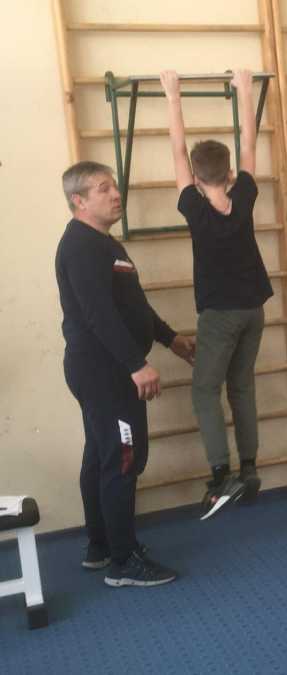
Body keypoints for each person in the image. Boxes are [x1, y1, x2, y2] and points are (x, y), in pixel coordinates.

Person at [56, 160, 195, 587]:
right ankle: (123, 562)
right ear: (79, 201)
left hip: (106, 370)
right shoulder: (81, 246)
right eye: (103, 188)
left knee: (102, 455)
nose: (116, 194)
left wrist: (170, 339)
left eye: (114, 186)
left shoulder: (106, 244)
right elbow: (98, 315)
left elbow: (133, 306)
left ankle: (102, 546)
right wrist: (136, 364)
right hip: (105, 372)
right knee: (123, 458)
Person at [161, 69, 273, 519]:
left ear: (194, 175)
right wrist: (244, 90)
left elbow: (176, 149)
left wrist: (173, 96)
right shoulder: (243, 195)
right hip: (254, 310)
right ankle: (249, 469)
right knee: (241, 386)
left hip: (221, 315)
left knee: (205, 391)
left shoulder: (193, 205)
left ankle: (221, 473)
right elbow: (249, 143)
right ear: (228, 173)